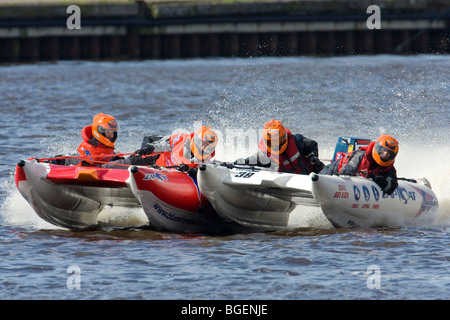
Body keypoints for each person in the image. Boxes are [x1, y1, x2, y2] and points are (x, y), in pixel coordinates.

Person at [235, 119, 325, 174]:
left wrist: (312, 156)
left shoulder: (296, 140)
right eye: (272, 142)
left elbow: (311, 145)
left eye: (278, 140)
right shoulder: (265, 154)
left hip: (311, 174)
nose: (276, 145)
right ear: (266, 142)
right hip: (286, 182)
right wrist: (240, 162)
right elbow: (250, 160)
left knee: (319, 167)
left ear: (284, 137)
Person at [320, 134, 399, 195]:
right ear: (378, 148)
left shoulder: (389, 167)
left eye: (389, 153)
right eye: (383, 150)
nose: (385, 154)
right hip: (332, 171)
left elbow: (390, 188)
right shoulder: (361, 156)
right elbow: (345, 173)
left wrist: (375, 177)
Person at [133, 125, 219, 170]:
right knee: (128, 162)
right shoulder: (181, 139)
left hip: (169, 175)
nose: (203, 148)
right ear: (196, 140)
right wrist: (148, 149)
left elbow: (204, 173)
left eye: (207, 147)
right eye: (202, 143)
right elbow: (161, 145)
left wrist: (189, 170)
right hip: (155, 159)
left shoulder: (206, 160)